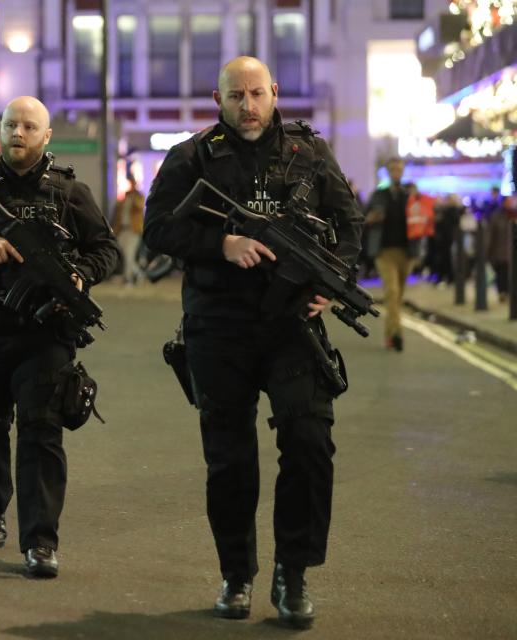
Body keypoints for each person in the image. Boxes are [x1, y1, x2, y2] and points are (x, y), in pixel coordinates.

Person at [142, 57, 362, 629]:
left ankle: (294, 572)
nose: (248, 104)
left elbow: (349, 224)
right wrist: (223, 244)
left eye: (256, 93)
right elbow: (157, 227)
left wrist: (329, 285)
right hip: (219, 326)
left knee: (310, 441)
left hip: (293, 327)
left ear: (274, 93)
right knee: (230, 458)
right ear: (218, 99)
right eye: (236, 95)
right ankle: (236, 574)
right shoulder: (190, 157)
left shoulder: (309, 152)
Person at [0, 96, 119, 578]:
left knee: (41, 430)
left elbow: (107, 249)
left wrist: (81, 275)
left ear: (46, 135)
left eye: (29, 126)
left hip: (44, 333)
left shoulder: (70, 193)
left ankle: (40, 540)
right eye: (11, 124)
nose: (18, 133)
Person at [364, 158, 414, 351]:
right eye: (393, 169)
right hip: (384, 252)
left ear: (402, 171)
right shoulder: (378, 195)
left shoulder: (408, 196)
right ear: (388, 171)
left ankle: (389, 334)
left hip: (406, 252)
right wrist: (371, 219)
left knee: (398, 296)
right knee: (392, 292)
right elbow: (363, 218)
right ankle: (397, 334)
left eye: (399, 169)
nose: (396, 172)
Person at [110, 175, 145, 285]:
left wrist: (133, 195)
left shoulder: (139, 196)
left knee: (129, 254)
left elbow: (139, 206)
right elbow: (119, 214)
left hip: (133, 230)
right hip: (123, 229)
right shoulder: (125, 196)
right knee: (124, 254)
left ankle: (128, 279)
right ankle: (138, 274)